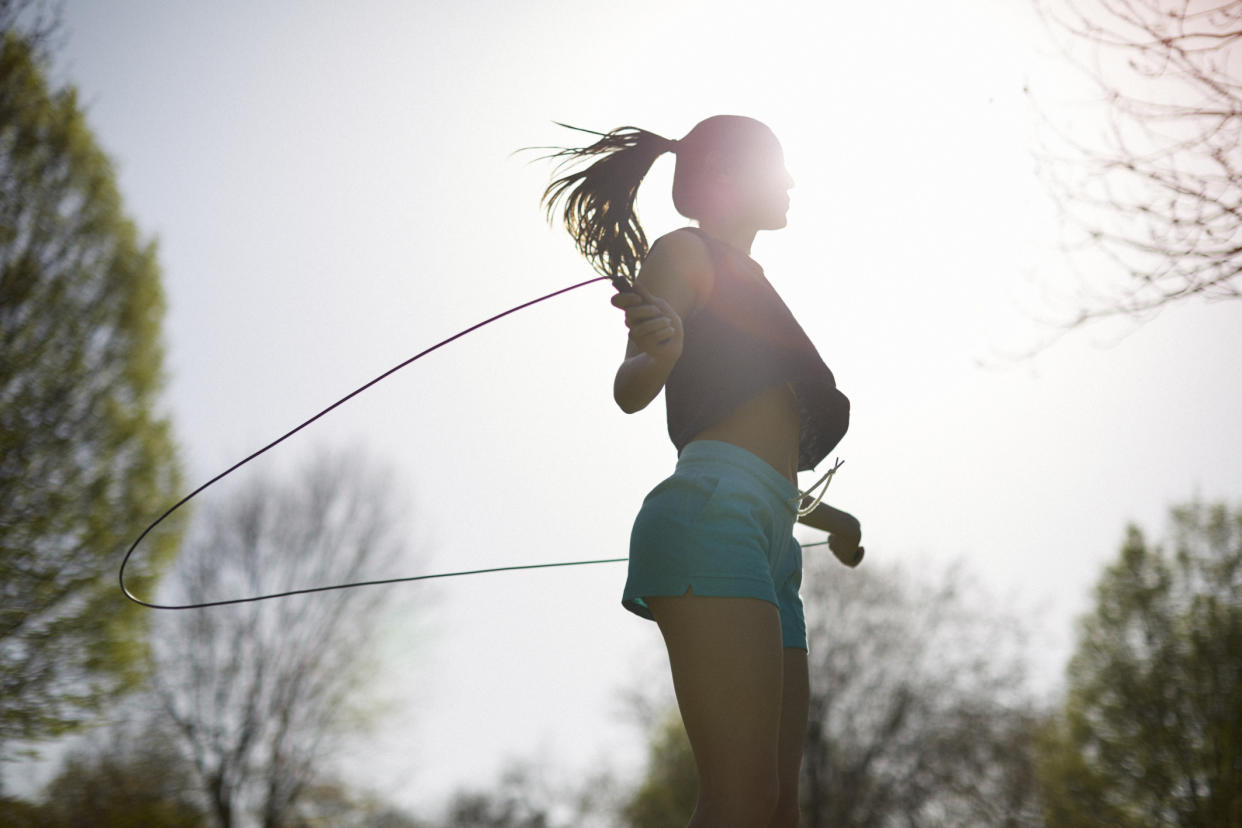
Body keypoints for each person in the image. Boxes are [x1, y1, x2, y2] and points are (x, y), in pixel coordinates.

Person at [540, 115, 863, 828]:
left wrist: (826, 517)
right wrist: (658, 353)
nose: (790, 180)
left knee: (777, 811)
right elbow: (632, 387)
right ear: (723, 175)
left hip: (770, 538)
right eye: (775, 165)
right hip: (710, 515)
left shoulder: (756, 284)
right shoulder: (687, 253)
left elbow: (761, 450)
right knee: (740, 802)